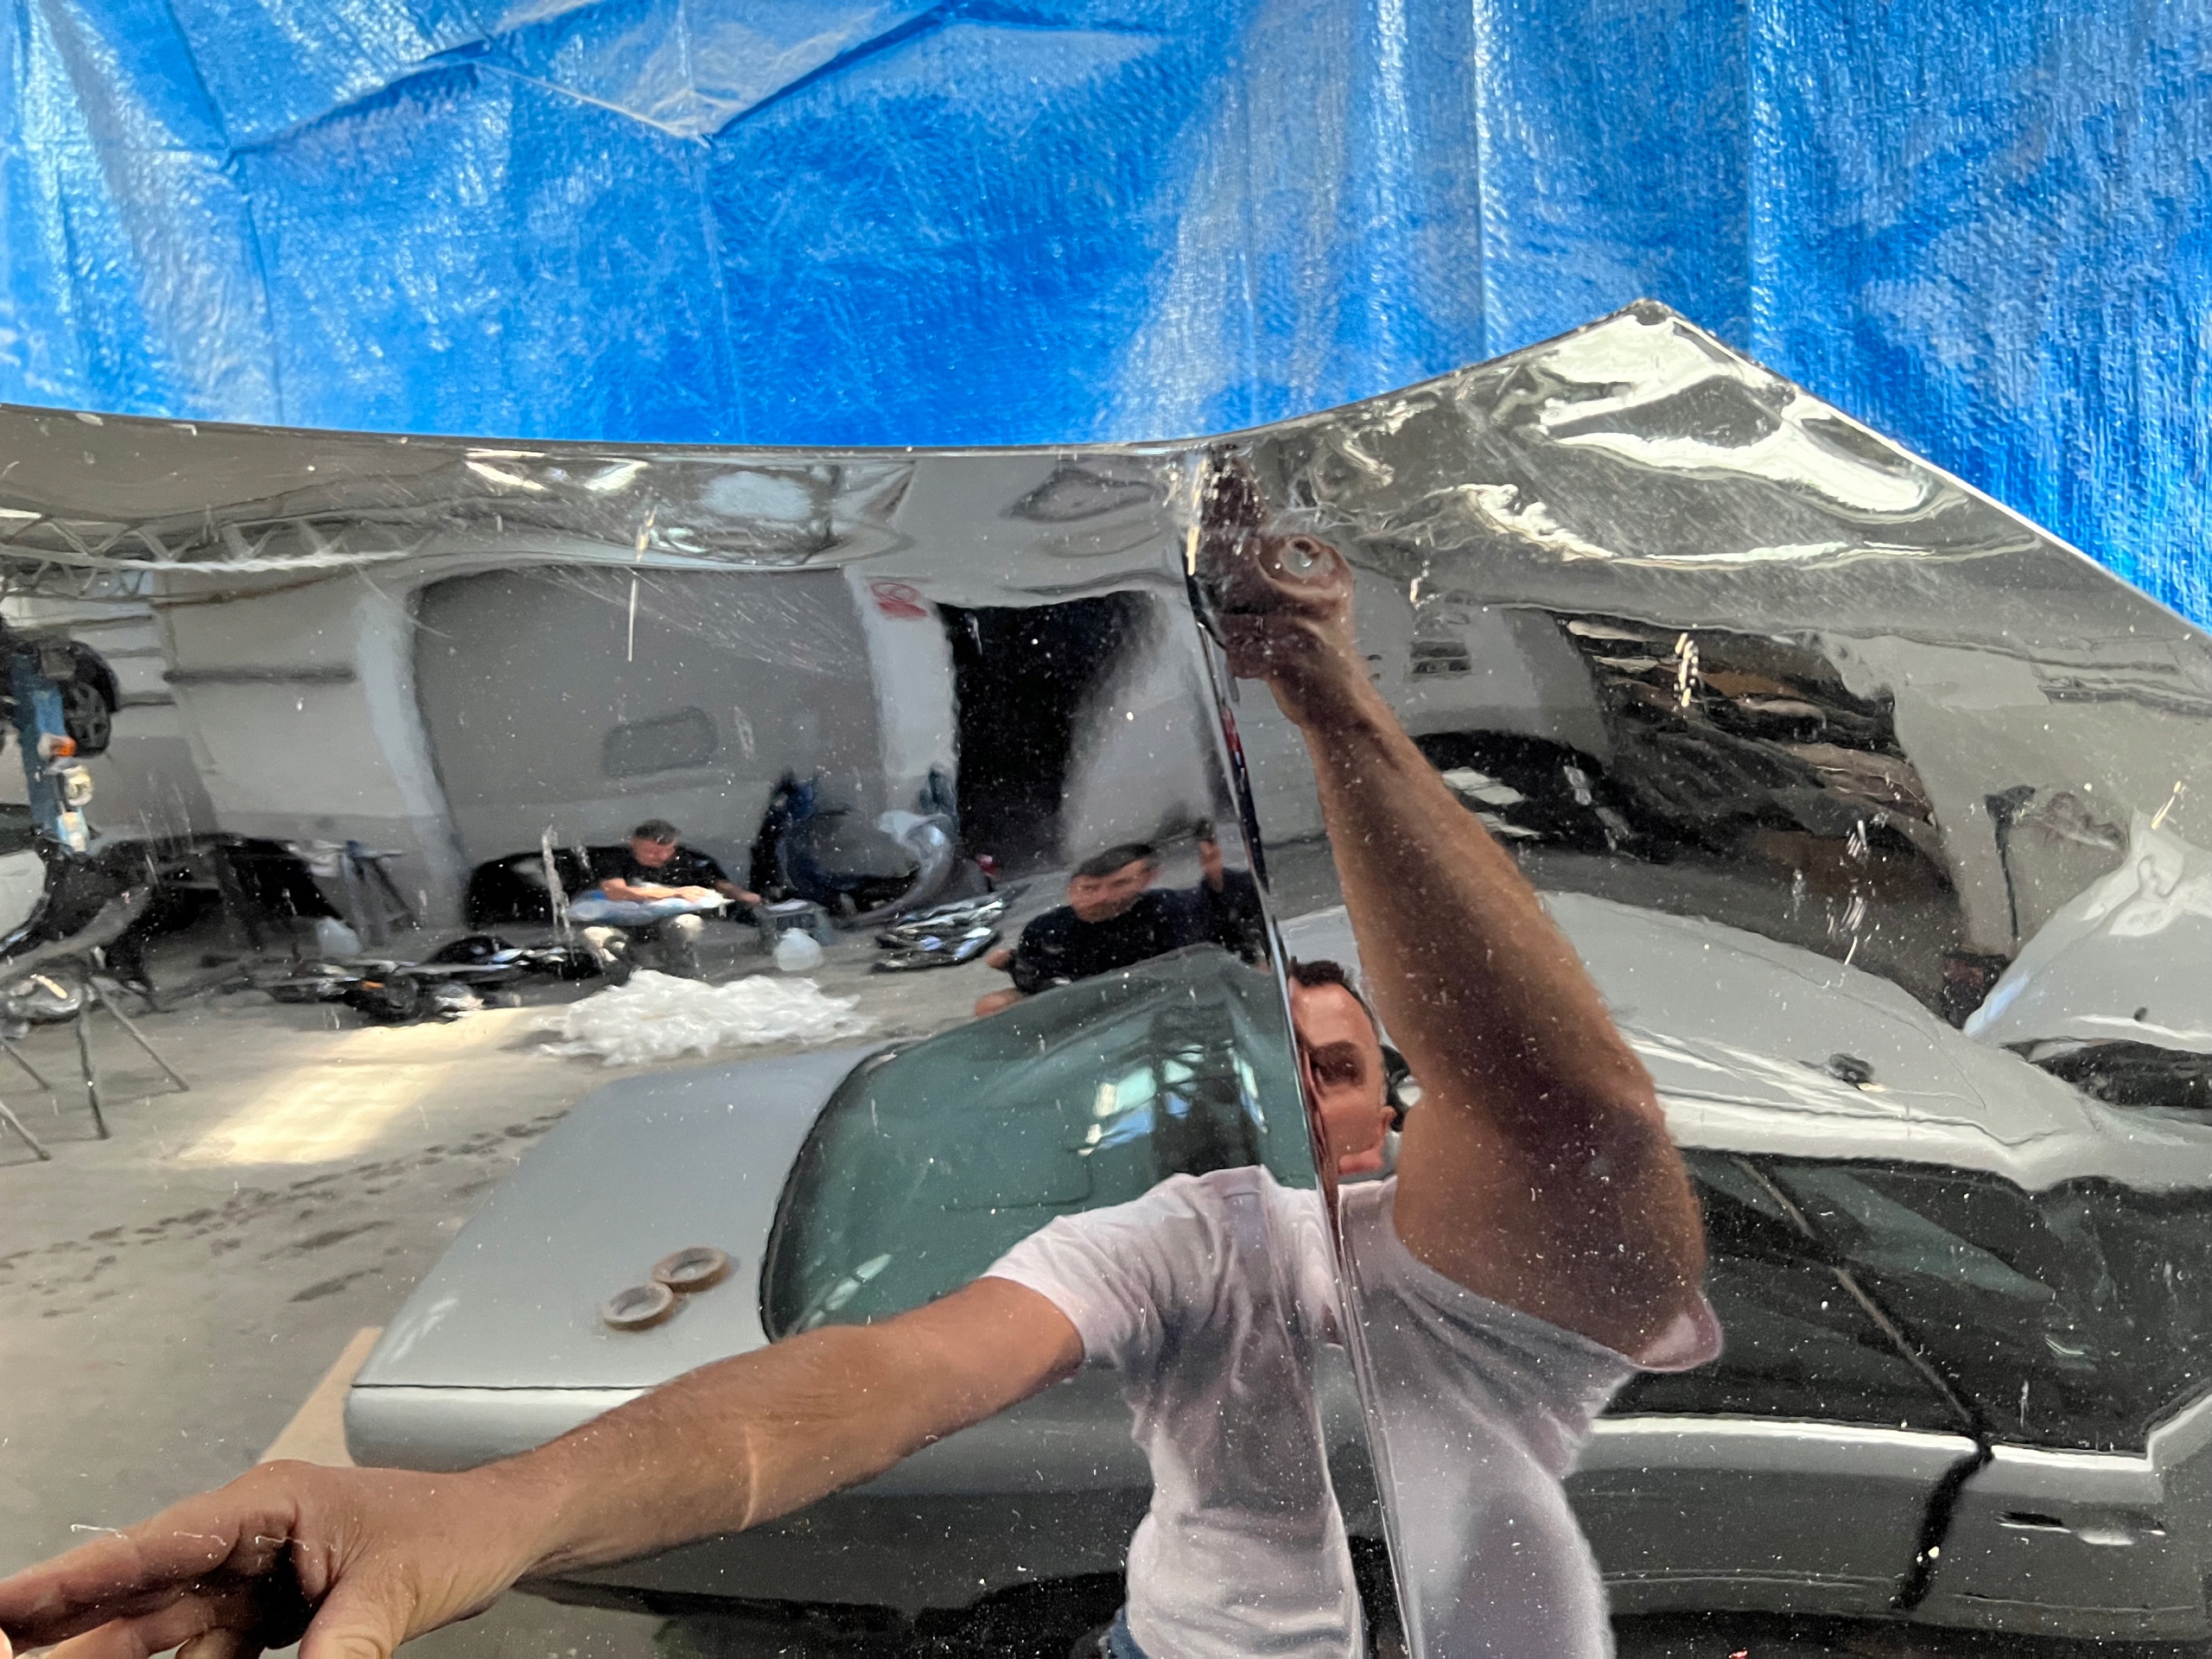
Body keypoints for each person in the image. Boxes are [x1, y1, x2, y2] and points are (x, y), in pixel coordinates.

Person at [0, 509, 1712, 1659]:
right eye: (1287, 1053)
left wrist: (1327, 699)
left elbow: (1568, 1116)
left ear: (1405, 1107)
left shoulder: (1489, 1299)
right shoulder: (1202, 1237)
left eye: (1341, 1065)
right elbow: (859, 1389)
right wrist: (488, 1513)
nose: (1308, 1088)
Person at [971, 841, 1205, 1017]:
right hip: (1077, 1009)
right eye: (1089, 888)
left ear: (1147, 879)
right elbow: (1036, 982)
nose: (1103, 897)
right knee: (992, 1005)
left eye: (1119, 884)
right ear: (1071, 889)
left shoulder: (1171, 911)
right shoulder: (1046, 930)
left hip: (1151, 1004)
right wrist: (1012, 964)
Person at [575, 820, 756, 982]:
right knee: (592, 936)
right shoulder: (614, 859)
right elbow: (615, 892)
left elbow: (718, 883)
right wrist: (675, 893)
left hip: (664, 925)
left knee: (687, 923)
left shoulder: (687, 859)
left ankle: (684, 976)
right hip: (618, 925)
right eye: (652, 852)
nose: (662, 857)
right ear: (634, 844)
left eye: (668, 850)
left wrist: (742, 895)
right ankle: (623, 980)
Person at [1189, 817, 1266, 963]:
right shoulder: (1199, 904)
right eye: (1207, 858)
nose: (1211, 863)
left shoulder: (1246, 886)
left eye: (1213, 856)